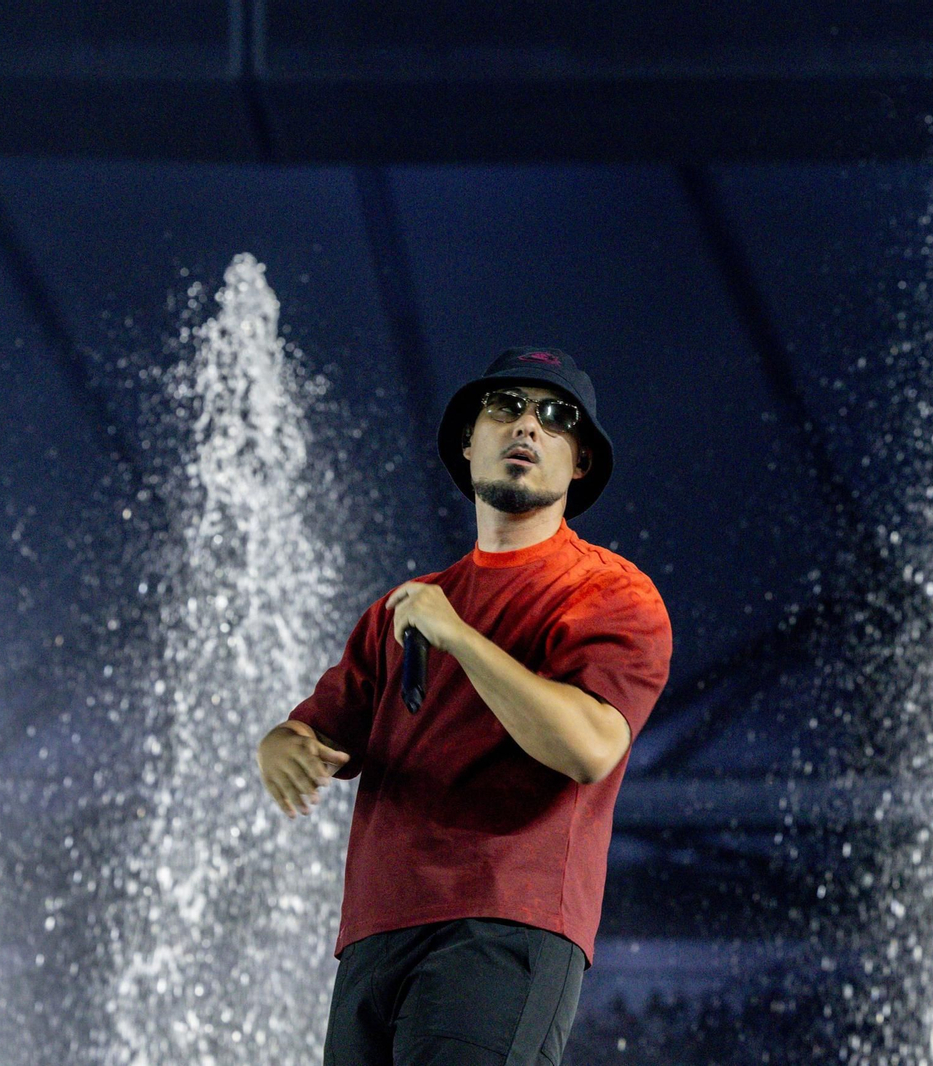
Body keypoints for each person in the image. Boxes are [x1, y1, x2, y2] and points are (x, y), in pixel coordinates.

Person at [256, 346, 673, 1065]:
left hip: (505, 923)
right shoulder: (406, 607)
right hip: (373, 937)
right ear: (466, 440)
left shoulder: (610, 594)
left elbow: (590, 747)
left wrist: (458, 635)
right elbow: (318, 731)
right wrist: (279, 744)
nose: (529, 426)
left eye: (557, 416)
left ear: (579, 464)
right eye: (505, 406)